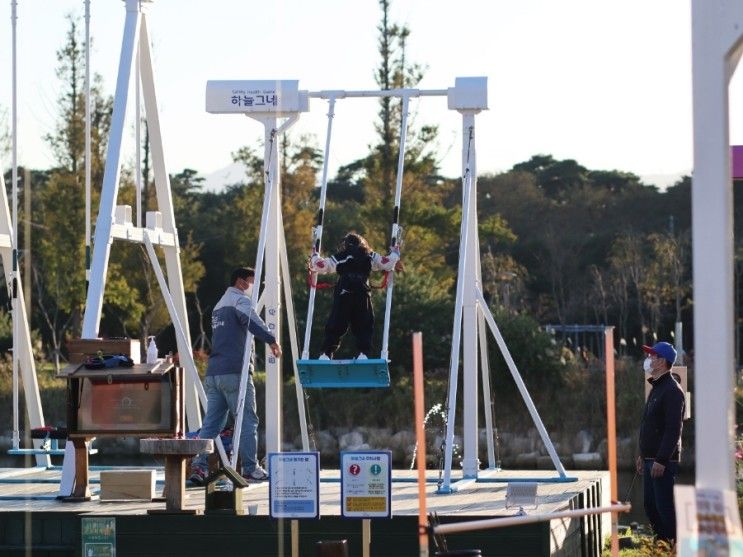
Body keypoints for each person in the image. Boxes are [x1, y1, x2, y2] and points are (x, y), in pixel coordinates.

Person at [189, 267, 282, 485]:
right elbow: (252, 321)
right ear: (241, 282)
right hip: (234, 372)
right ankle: (250, 468)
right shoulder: (240, 301)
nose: (253, 288)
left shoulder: (219, 306)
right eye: (251, 282)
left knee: (210, 426)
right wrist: (272, 339)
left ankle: (199, 468)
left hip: (214, 374)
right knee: (248, 420)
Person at [310, 232, 401, 360]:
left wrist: (314, 256)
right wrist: (395, 253)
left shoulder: (342, 256)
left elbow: (321, 266)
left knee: (336, 323)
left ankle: (326, 353)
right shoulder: (369, 255)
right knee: (364, 325)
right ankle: (363, 354)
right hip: (362, 293)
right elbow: (387, 263)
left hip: (344, 293)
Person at [635, 341, 685, 544]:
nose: (649, 359)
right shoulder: (656, 387)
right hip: (649, 459)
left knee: (664, 507)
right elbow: (648, 425)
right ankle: (661, 543)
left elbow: (673, 430)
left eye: (653, 356)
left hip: (661, 463)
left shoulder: (673, 390)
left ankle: (674, 545)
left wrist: (661, 460)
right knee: (650, 506)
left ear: (663, 361)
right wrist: (641, 453)